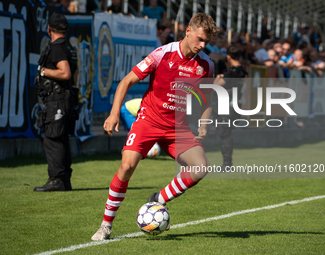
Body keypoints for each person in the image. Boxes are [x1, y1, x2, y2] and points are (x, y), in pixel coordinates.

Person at [91, 13, 219, 241]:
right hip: (148, 120)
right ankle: (105, 226)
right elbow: (126, 81)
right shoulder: (162, 54)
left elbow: (207, 98)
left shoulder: (205, 65)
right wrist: (113, 114)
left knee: (200, 167)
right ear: (187, 31)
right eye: (199, 39)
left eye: (206, 42)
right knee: (127, 166)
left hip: (177, 128)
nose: (202, 45)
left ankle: (158, 199)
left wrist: (204, 123)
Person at [34, 14, 78, 192]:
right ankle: (64, 180)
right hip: (65, 98)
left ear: (49, 29)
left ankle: (57, 179)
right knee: (60, 138)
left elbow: (65, 73)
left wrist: (43, 72)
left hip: (57, 100)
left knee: (53, 137)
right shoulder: (68, 46)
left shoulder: (58, 48)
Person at [212, 45, 247, 171]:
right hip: (235, 105)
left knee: (224, 134)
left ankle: (227, 164)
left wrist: (218, 78)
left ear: (228, 56)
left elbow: (216, 86)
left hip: (227, 107)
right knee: (226, 133)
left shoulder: (232, 71)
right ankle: (227, 163)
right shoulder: (242, 70)